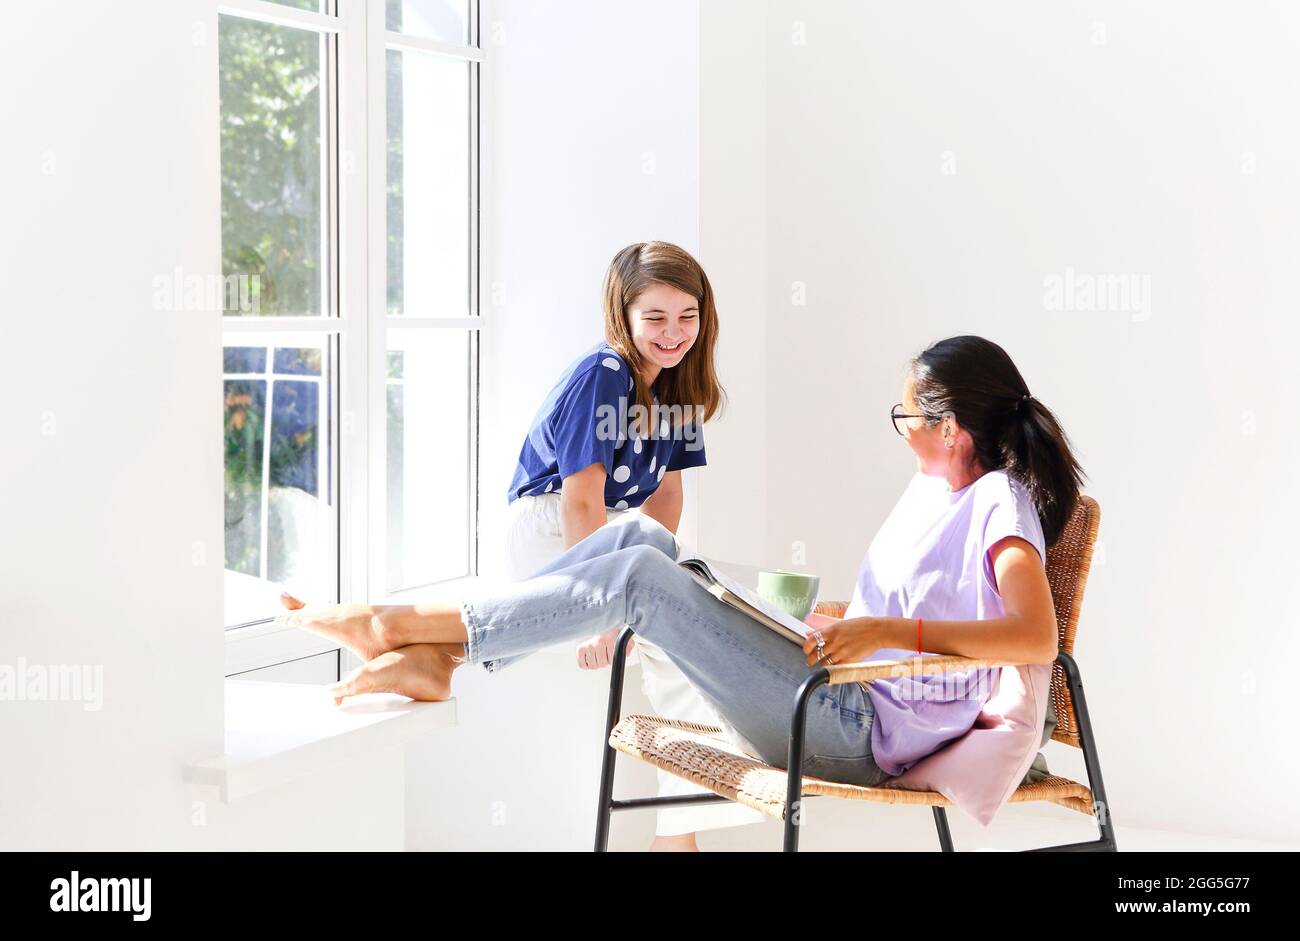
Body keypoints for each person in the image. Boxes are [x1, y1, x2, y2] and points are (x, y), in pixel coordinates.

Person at [277, 335, 1086, 842]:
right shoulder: (941, 491)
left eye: (904, 412)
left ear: (951, 428)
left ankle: (400, 628)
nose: (899, 424)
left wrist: (881, 637)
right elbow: (929, 608)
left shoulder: (998, 502)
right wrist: (841, 618)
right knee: (641, 537)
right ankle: (443, 656)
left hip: (851, 728)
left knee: (635, 575)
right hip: (835, 687)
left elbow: (1034, 638)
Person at [496, 240, 764, 847]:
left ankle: (681, 828)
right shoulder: (605, 374)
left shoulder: (678, 384)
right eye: (655, 318)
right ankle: (679, 838)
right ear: (623, 314)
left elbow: (667, 496)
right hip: (552, 532)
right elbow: (580, 500)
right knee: (688, 613)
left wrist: (652, 580)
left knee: (706, 610)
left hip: (615, 534)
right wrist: (600, 611)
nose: (673, 334)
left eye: (687, 317)